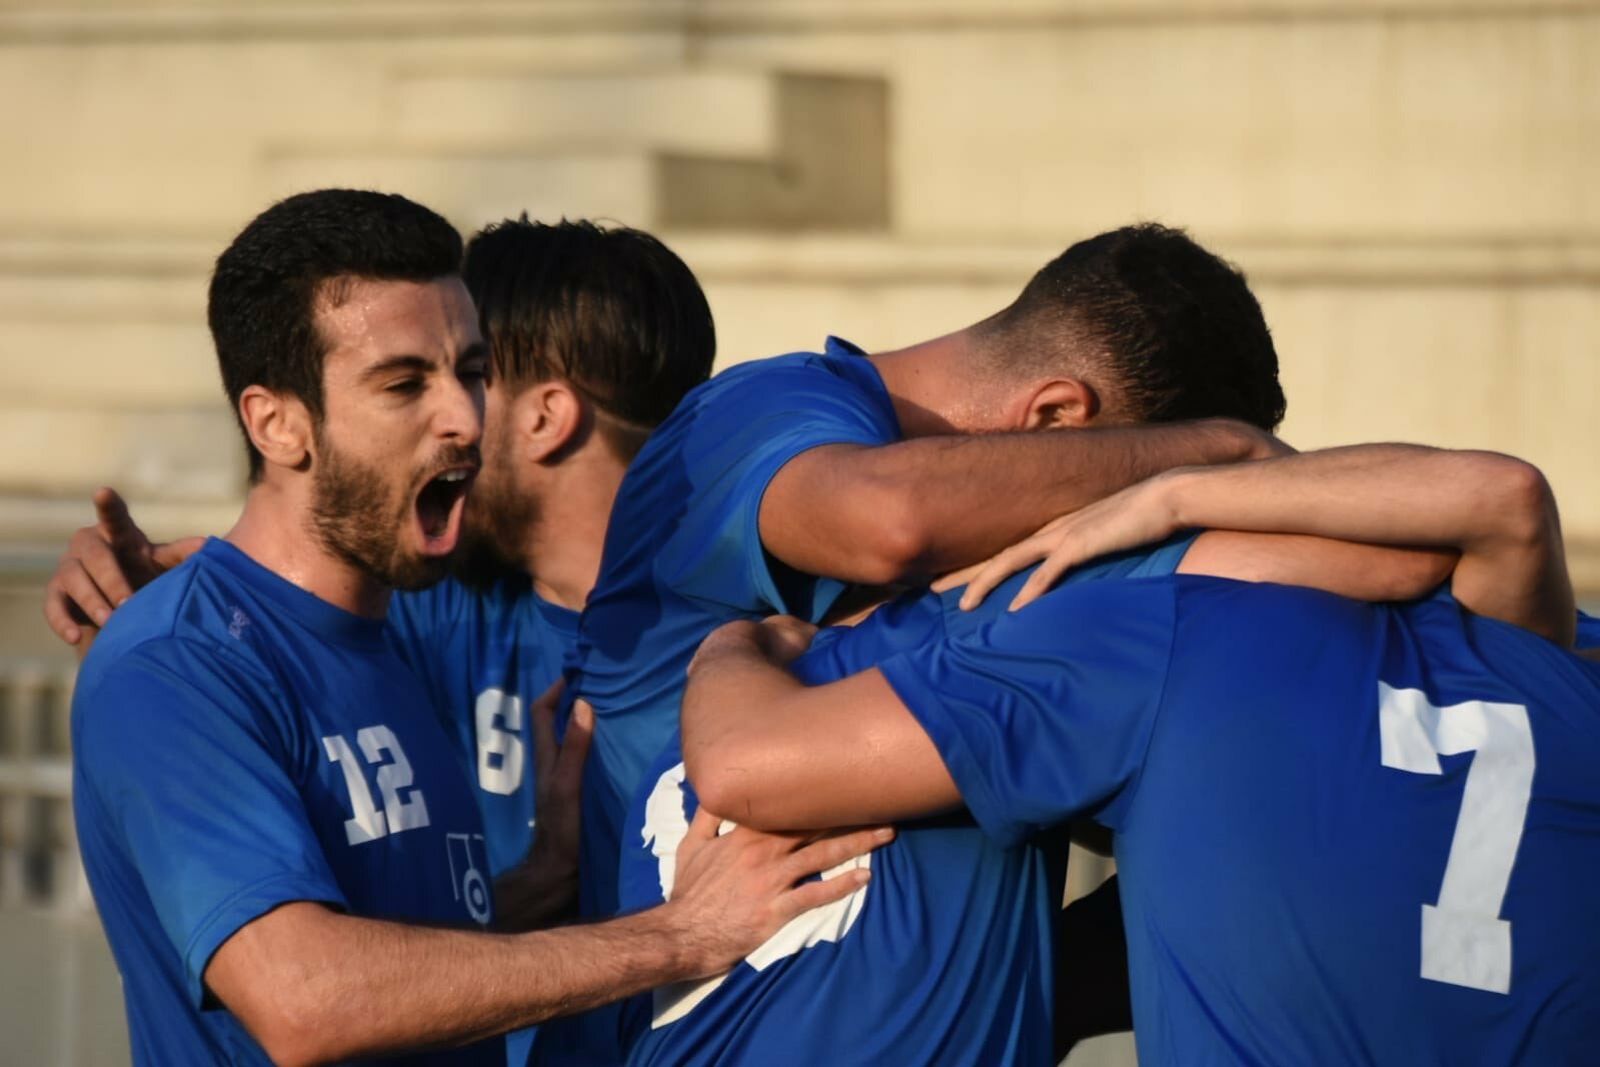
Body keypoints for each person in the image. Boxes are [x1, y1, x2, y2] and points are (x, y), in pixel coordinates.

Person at [70, 188, 886, 1066]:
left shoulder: (378, 641)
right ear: (276, 423)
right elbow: (305, 999)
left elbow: (411, 955)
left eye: (468, 371)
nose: (465, 418)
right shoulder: (176, 662)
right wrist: (680, 933)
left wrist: (540, 885)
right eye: (404, 384)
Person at [676, 445, 1597, 1064]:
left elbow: (747, 766)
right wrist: (1175, 494)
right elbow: (1503, 502)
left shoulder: (1162, 633)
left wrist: (736, 643)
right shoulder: (1547, 663)